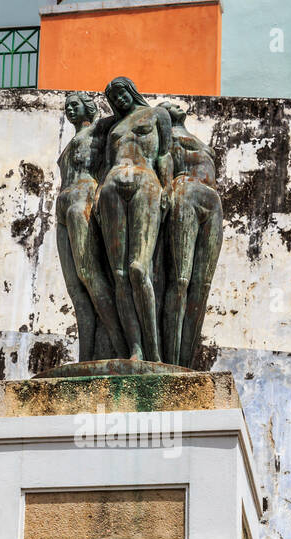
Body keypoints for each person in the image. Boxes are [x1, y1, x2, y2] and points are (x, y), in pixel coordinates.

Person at [97, 76, 173, 362]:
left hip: (145, 182)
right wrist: (97, 194)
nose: (118, 99)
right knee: (118, 274)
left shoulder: (156, 115)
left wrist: (167, 188)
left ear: (131, 90)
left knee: (138, 268)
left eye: (120, 92)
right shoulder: (114, 127)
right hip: (113, 186)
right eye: (112, 97)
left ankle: (153, 350)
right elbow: (106, 164)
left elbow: (164, 154)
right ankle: (135, 348)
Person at [56, 91, 125, 361]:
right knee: (74, 286)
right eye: (67, 107)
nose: (70, 110)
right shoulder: (73, 139)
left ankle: (120, 345)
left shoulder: (100, 127)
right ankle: (86, 355)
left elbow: (128, 117)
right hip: (62, 204)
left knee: (89, 274)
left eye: (75, 105)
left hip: (83, 196)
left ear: (88, 107)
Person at [160, 101, 223, 368]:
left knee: (202, 285)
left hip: (212, 201)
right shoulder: (164, 136)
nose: (175, 105)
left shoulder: (197, 139)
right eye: (168, 105)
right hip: (183, 193)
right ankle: (171, 360)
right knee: (181, 280)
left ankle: (187, 361)